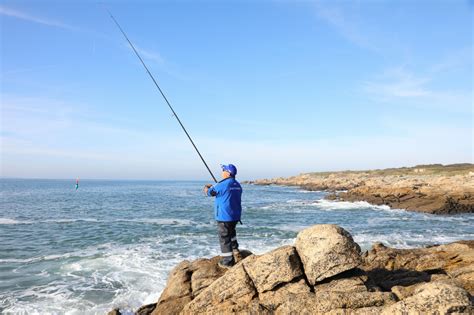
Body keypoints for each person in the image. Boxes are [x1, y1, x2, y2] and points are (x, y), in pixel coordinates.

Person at [204, 164, 243, 268]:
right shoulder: (237, 184)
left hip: (224, 216)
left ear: (228, 173)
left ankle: (227, 261)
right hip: (235, 215)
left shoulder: (222, 184)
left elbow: (210, 192)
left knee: (224, 237)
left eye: (223, 170)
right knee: (232, 233)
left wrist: (206, 188)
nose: (222, 172)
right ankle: (235, 250)